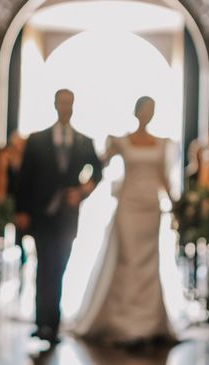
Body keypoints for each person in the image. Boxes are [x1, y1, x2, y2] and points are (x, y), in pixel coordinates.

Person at [72, 96, 174, 347]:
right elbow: (100, 162)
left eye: (152, 110)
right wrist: (82, 183)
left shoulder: (161, 143)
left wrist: (175, 205)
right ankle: (123, 320)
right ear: (137, 112)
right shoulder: (121, 141)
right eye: (145, 109)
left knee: (150, 262)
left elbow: (163, 176)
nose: (148, 114)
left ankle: (148, 322)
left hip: (151, 207)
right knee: (128, 258)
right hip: (128, 206)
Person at [15, 88, 102, 345]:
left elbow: (98, 170)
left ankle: (53, 322)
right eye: (62, 102)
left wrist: (83, 190)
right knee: (44, 266)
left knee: (60, 266)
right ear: (55, 105)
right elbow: (24, 178)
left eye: (70, 103)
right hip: (41, 214)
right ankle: (42, 323)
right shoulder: (37, 140)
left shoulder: (84, 141)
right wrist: (21, 210)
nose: (66, 107)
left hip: (67, 215)